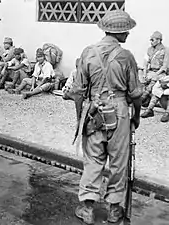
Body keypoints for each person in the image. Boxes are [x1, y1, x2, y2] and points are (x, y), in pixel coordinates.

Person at [69, 10, 142, 224]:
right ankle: (114, 210)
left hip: (94, 110)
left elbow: (77, 92)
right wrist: (136, 116)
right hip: (119, 111)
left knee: (93, 160)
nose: (128, 33)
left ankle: (87, 208)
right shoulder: (126, 56)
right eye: (126, 30)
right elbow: (135, 93)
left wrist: (79, 117)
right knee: (119, 162)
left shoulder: (88, 52)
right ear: (119, 32)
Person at [140, 31, 169, 107]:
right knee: (143, 80)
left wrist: (156, 74)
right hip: (151, 71)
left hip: (160, 72)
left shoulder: (165, 50)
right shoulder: (149, 50)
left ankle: (144, 97)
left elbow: (164, 66)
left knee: (154, 80)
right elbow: (145, 62)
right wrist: (145, 73)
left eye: (152, 40)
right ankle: (145, 99)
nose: (151, 42)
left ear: (159, 40)